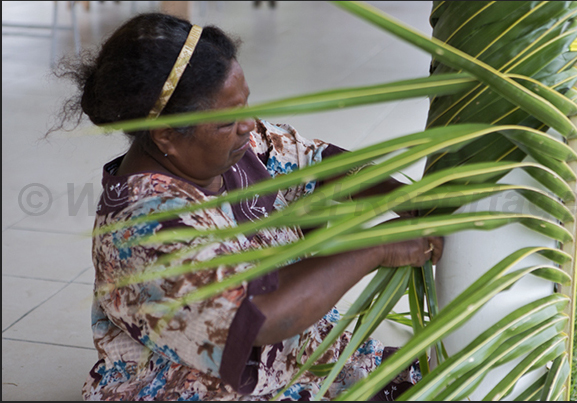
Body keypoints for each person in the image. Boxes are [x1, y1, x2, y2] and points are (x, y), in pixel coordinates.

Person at [54, 13, 443, 401]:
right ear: (166, 136)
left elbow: (317, 160)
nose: (248, 125)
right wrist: (379, 248)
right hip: (201, 387)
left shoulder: (230, 147)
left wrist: (401, 196)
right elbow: (258, 316)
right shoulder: (148, 223)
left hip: (297, 358)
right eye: (226, 119)